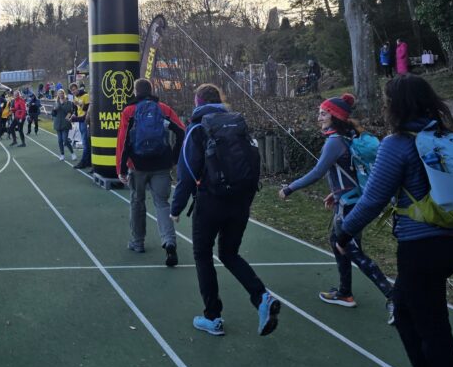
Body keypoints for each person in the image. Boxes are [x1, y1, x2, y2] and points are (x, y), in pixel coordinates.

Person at [336, 75, 453, 367]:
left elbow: (373, 199)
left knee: (431, 323)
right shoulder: (448, 139)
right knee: (406, 308)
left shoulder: (397, 144)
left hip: (421, 246)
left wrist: (344, 233)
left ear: (396, 106)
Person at [171, 83, 281, 338]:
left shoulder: (198, 128)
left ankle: (213, 316)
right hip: (240, 200)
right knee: (230, 253)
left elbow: (186, 172)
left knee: (202, 254)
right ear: (219, 100)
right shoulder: (238, 126)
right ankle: (261, 296)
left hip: (210, 201)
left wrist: (176, 207)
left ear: (197, 101)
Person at [278, 94, 394, 322]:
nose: (318, 117)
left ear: (335, 116)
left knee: (350, 249)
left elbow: (317, 172)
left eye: (323, 113)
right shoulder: (348, 135)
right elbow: (349, 171)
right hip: (351, 200)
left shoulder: (334, 141)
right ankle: (345, 292)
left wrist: (289, 188)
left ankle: (393, 295)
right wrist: (336, 192)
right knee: (338, 242)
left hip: (350, 205)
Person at [116, 78, 185, 264]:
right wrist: (174, 158)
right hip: (161, 164)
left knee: (137, 202)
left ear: (135, 91)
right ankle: (169, 243)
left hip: (137, 166)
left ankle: (137, 242)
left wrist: (120, 168)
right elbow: (181, 131)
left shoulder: (129, 111)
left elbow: (123, 142)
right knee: (162, 204)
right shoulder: (163, 109)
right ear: (151, 90)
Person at [73, 84, 93, 169]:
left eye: (74, 89)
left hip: (85, 120)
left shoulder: (86, 95)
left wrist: (79, 104)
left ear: (78, 88)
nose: (74, 91)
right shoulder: (75, 97)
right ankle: (88, 161)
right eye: (72, 90)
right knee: (86, 142)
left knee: (85, 142)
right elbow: (77, 110)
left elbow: (87, 109)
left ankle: (84, 162)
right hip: (80, 121)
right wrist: (73, 116)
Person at [52, 89, 75, 160]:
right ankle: (62, 154)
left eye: (62, 93)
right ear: (58, 95)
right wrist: (54, 110)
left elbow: (70, 112)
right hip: (58, 123)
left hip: (65, 123)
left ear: (64, 94)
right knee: (59, 140)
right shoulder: (56, 103)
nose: (61, 94)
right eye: (59, 93)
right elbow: (53, 114)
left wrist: (67, 118)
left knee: (65, 140)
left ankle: (72, 153)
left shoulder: (68, 102)